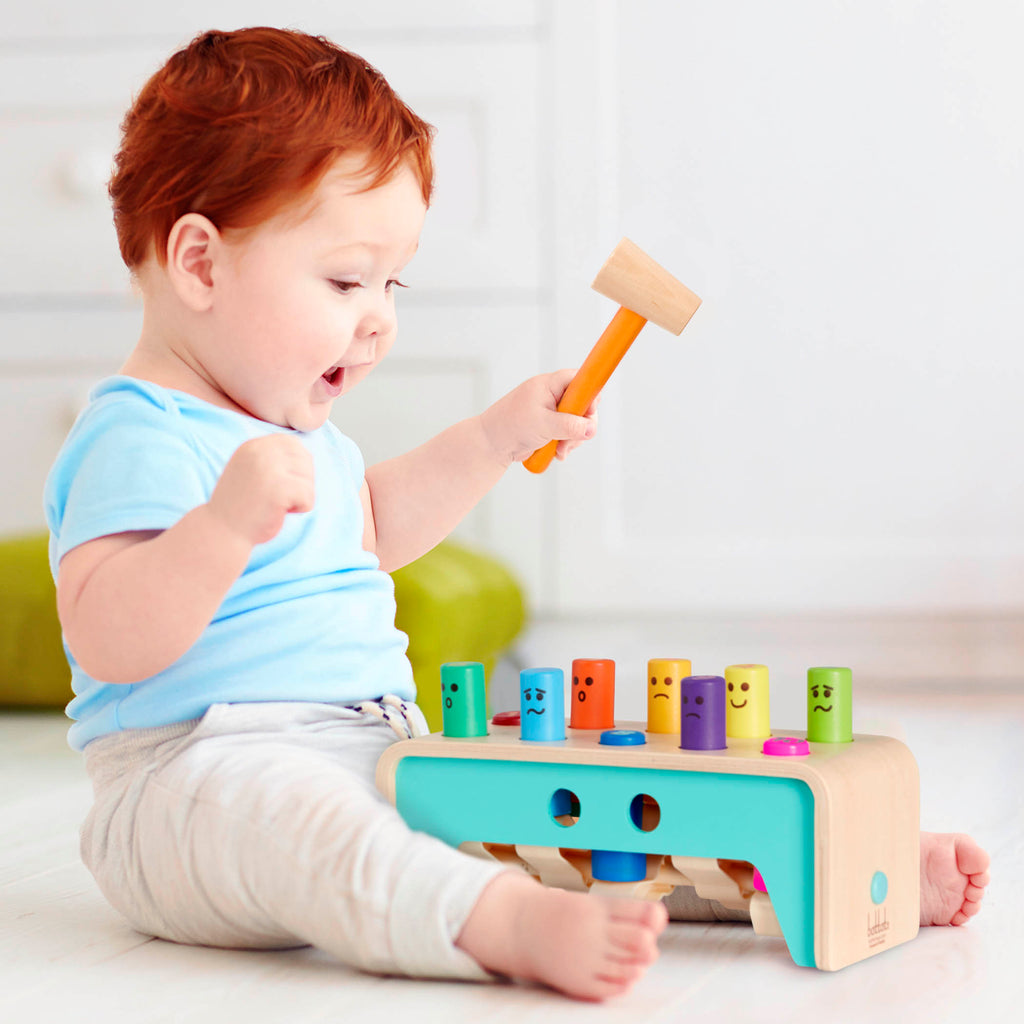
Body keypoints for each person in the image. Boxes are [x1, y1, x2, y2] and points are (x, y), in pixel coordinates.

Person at [44, 27, 987, 1004]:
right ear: (199, 262)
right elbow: (110, 635)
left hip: (372, 745)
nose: (379, 319)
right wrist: (222, 527)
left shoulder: (298, 430)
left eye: (390, 283)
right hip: (192, 780)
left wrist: (493, 437)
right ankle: (498, 923)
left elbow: (370, 521)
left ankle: (808, 875)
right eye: (344, 280)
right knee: (301, 822)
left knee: (550, 807)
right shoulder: (136, 434)